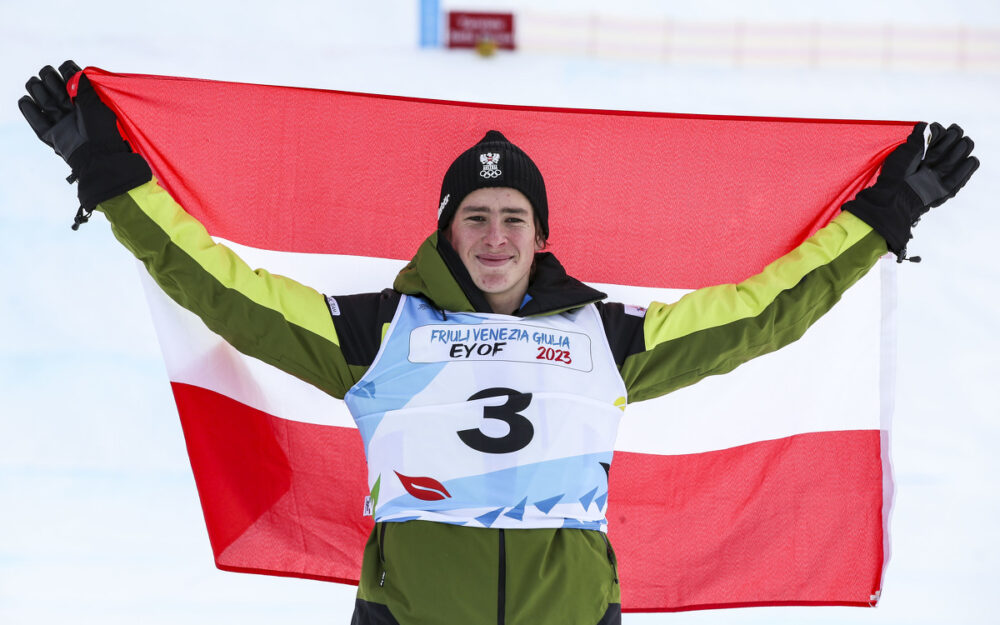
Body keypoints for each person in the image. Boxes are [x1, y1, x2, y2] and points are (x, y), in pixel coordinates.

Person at [19, 61, 979, 625]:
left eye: (513, 217)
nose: (494, 236)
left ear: (540, 234)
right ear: (446, 230)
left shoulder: (601, 333)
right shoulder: (378, 329)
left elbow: (758, 312)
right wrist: (111, 179)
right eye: (474, 216)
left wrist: (883, 212)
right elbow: (218, 286)